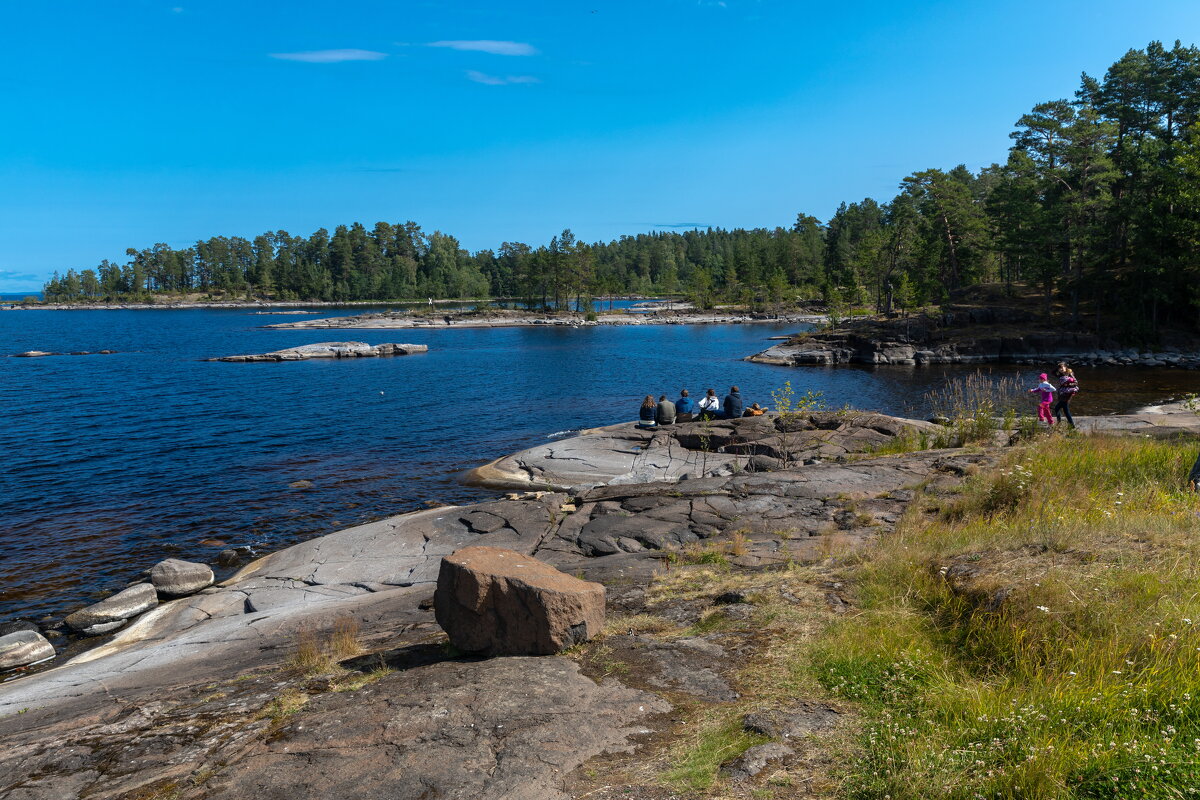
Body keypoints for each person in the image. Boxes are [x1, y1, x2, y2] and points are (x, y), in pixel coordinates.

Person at [1054, 363, 1079, 428]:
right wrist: (1058, 367)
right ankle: (1071, 426)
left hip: (1068, 394)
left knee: (1057, 408)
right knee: (1065, 410)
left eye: (1062, 367)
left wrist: (1067, 384)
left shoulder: (1070, 373)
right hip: (1063, 394)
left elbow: (1076, 383)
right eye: (1060, 368)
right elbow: (1053, 372)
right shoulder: (1060, 375)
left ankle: (1061, 423)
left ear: (1065, 367)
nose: (1061, 369)